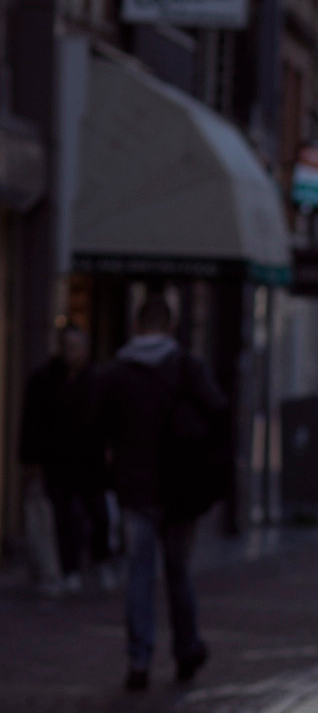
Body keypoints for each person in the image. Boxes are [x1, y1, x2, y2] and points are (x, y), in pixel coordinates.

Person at [94, 292, 228, 690]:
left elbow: (98, 430)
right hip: (179, 487)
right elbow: (219, 414)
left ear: (137, 326)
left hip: (136, 488)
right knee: (178, 571)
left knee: (139, 571)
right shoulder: (186, 367)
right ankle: (185, 648)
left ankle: (140, 657)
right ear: (170, 326)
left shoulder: (116, 373)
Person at [18, 324, 111, 591]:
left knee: (97, 513)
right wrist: (29, 459)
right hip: (57, 460)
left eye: (76, 347)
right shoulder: (43, 379)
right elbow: (31, 421)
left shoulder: (96, 380)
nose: (71, 353)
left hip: (89, 461)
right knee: (62, 516)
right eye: (67, 347)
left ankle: (99, 559)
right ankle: (67, 569)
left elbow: (106, 419)